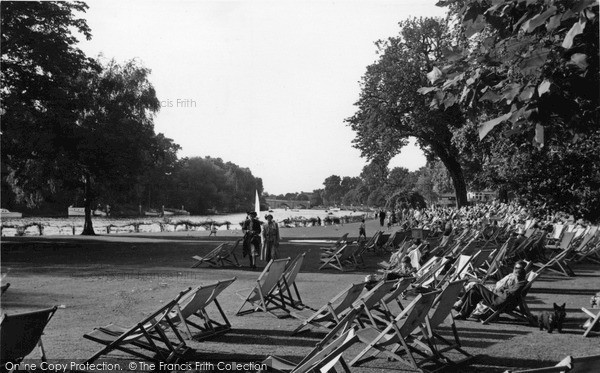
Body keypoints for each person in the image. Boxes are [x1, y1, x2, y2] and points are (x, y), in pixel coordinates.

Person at [453, 260, 527, 320]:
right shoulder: (516, 280)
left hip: (499, 302)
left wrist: (499, 291)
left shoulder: (520, 284)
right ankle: (463, 313)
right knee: (474, 292)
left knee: (477, 286)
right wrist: (501, 291)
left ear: (522, 271)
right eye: (515, 268)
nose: (515, 270)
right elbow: (505, 291)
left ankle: (460, 303)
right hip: (498, 298)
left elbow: (507, 295)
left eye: (518, 269)